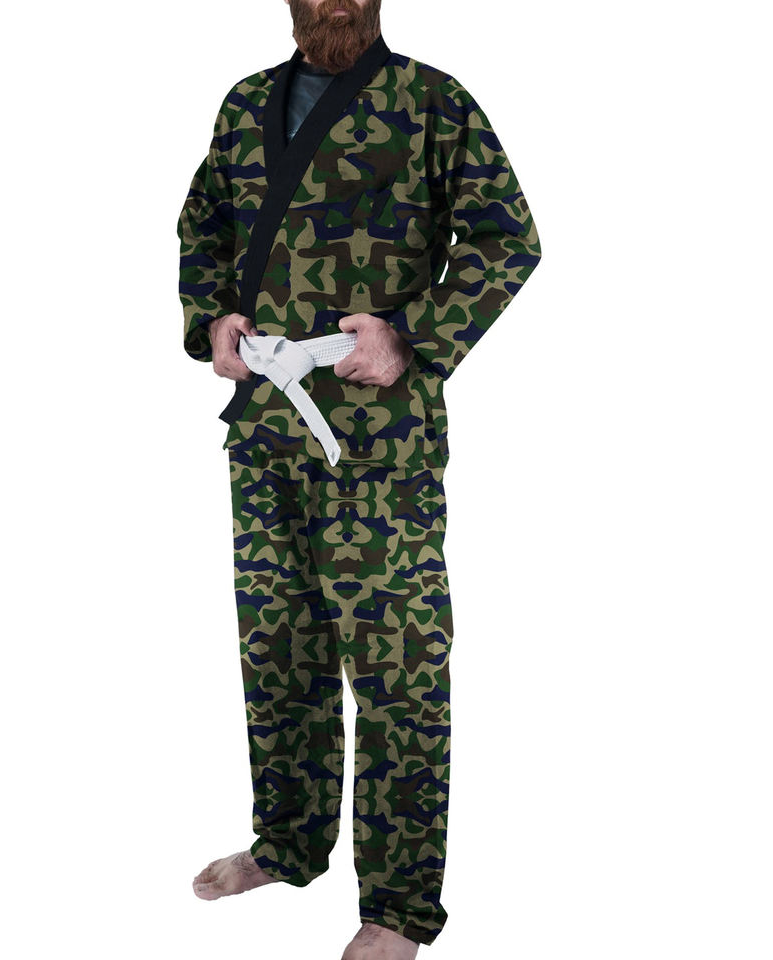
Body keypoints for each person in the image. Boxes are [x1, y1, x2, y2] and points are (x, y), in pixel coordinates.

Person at [176, 0, 541, 955]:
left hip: (382, 437)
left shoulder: (430, 101)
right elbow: (203, 229)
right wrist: (213, 319)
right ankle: (288, 844)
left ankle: (399, 908)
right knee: (278, 649)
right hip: (267, 426)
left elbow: (508, 238)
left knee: (398, 667)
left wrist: (413, 335)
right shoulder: (245, 104)